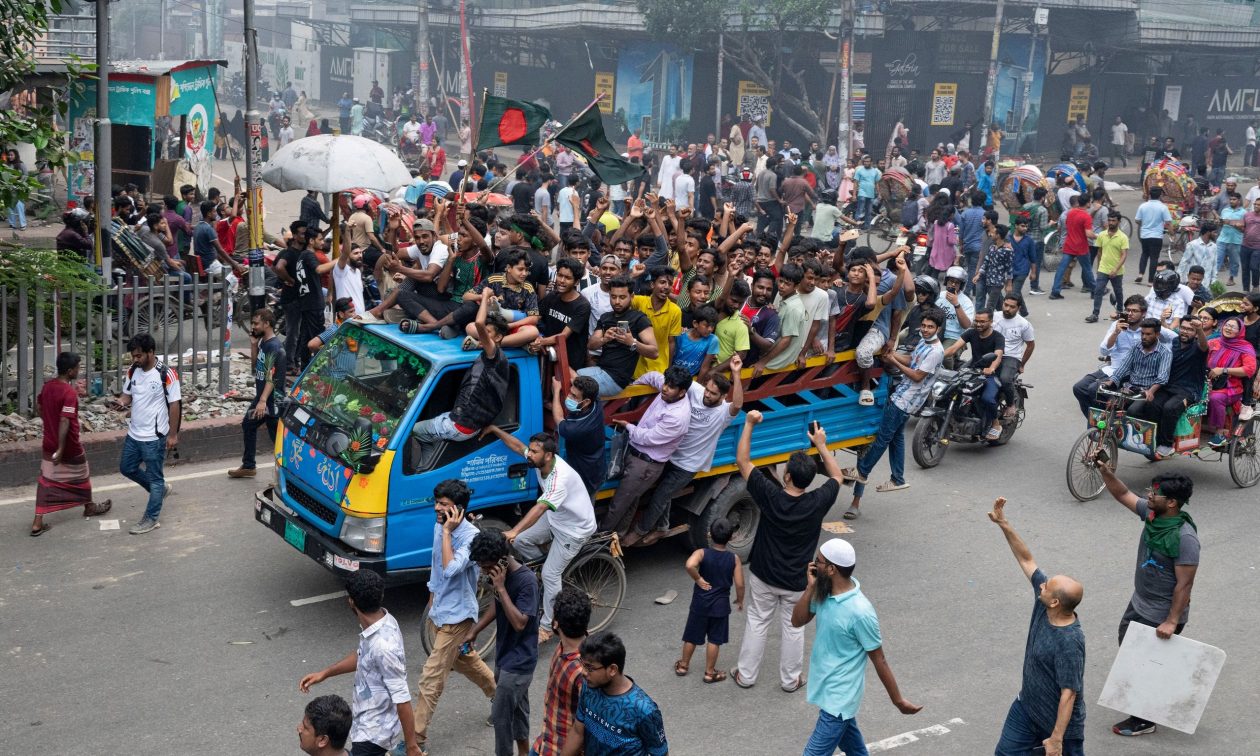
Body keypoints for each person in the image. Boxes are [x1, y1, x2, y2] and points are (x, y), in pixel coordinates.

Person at [731, 414, 844, 692]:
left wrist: (749, 424)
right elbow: (838, 476)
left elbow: (743, 462)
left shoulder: (771, 495)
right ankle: (790, 680)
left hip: (763, 574)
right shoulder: (818, 501)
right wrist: (820, 444)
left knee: (758, 621)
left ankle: (746, 675)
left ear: (787, 475)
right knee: (794, 628)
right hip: (797, 581)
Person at [790, 537, 921, 756]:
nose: (813, 566)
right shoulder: (823, 591)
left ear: (831, 569)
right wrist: (809, 588)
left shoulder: (860, 612)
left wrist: (898, 700)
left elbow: (879, 659)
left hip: (839, 698)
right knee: (854, 749)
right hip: (827, 687)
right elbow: (797, 621)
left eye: (818, 562)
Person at [1095, 466, 1200, 739]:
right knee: (1131, 655)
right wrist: (1104, 470)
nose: (1149, 496)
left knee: (1142, 665)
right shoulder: (1154, 515)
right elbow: (1121, 494)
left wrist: (1172, 621)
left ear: (1172, 502)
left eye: (1155, 493)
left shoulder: (1185, 538)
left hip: (1159, 614)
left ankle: (1143, 719)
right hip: (1139, 603)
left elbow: (1185, 584)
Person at [987, 497, 1087, 756]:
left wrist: (1056, 739)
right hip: (1027, 707)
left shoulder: (1069, 641)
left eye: (1046, 586)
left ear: (1055, 601)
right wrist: (1003, 524)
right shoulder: (1046, 603)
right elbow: (1027, 559)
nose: (1041, 584)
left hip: (1058, 725)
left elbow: (1069, 693)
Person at [484, 428, 596, 641]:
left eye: (535, 452)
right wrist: (494, 430)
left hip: (574, 529)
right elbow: (517, 446)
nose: (530, 454)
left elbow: (540, 508)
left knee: (550, 574)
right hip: (557, 517)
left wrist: (514, 529)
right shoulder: (539, 460)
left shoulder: (559, 479)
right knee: (522, 541)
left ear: (548, 455)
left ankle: (546, 627)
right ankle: (543, 573)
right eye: (531, 450)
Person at [298, 570, 424, 756]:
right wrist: (325, 673)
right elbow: (364, 655)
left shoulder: (383, 646)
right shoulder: (382, 622)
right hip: (366, 721)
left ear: (351, 602)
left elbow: (402, 700)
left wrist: (411, 746)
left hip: (375, 733)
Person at [412, 480, 497, 751]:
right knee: (465, 661)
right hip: (440, 612)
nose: (437, 508)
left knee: (431, 679)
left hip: (458, 618)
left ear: (458, 510)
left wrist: (448, 532)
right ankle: (502, 698)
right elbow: (437, 569)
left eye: (444, 505)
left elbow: (450, 568)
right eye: (437, 502)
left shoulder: (469, 537)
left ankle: (416, 742)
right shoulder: (440, 526)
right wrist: (431, 603)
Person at [624, 359, 744, 549]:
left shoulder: (723, 413)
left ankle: (640, 531)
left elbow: (737, 404)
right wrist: (634, 386)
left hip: (689, 465)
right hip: (670, 454)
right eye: (707, 390)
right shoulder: (694, 390)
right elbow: (666, 381)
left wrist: (736, 374)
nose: (707, 395)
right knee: (659, 492)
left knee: (661, 495)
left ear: (722, 397)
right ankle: (662, 526)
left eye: (713, 394)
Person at [841, 309, 945, 509]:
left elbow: (916, 375)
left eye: (930, 327)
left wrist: (894, 360)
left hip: (905, 400)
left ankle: (861, 471)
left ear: (938, 329)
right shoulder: (924, 342)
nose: (925, 329)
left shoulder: (936, 351)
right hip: (902, 395)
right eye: (923, 325)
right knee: (896, 437)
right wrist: (893, 354)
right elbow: (912, 360)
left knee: (882, 438)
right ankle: (897, 478)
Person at [467, 530, 539, 756]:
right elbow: (498, 605)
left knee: (500, 717)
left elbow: (520, 623)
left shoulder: (526, 581)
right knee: (518, 712)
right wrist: (475, 630)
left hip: (519, 662)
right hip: (505, 655)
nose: (484, 572)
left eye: (487, 567)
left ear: (502, 560)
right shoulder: (501, 576)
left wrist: (500, 587)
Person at [599, 366, 693, 537]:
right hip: (636, 455)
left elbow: (647, 438)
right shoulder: (667, 390)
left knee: (619, 503)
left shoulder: (678, 417)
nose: (665, 388)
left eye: (671, 387)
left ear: (682, 392)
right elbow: (652, 376)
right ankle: (618, 536)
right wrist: (632, 389)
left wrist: (628, 426)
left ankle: (599, 538)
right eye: (666, 383)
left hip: (646, 465)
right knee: (630, 500)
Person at [30, 352, 113, 536]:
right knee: (82, 474)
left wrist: (48, 424)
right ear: (69, 371)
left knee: (46, 481)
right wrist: (61, 448)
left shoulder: (47, 387)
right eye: (77, 368)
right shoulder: (68, 392)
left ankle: (38, 522)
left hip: (48, 443)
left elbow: (40, 407)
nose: (79, 371)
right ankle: (89, 506)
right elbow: (65, 420)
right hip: (68, 445)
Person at [412, 293, 510, 443]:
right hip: (468, 420)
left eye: (487, 332)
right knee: (427, 438)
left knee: (414, 430)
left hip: (461, 424)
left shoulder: (494, 354)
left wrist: (484, 296)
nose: (482, 334)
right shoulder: (495, 356)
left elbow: (478, 323)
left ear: (498, 338)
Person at [112, 333, 181, 536]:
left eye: (139, 355)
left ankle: (151, 518)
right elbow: (128, 395)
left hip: (154, 437)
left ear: (151, 352)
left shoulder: (166, 374)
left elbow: (174, 404)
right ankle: (159, 492)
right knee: (127, 468)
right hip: (134, 434)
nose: (136, 359)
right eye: (133, 355)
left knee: (155, 477)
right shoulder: (133, 371)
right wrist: (121, 402)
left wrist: (173, 435)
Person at [560, 631, 668, 756]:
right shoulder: (589, 687)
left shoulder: (645, 710)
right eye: (582, 664)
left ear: (612, 669)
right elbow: (577, 732)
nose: (583, 672)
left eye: (589, 667)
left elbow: (660, 753)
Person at [672, 516, 745, 684]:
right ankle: (709, 672)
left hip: (700, 603)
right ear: (731, 537)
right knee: (714, 639)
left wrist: (698, 579)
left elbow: (689, 565)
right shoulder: (733, 559)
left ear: (709, 535)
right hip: (720, 606)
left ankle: (683, 665)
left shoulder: (701, 553)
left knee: (691, 635)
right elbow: (740, 584)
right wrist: (739, 599)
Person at [532, 586, 591, 756]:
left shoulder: (583, 671)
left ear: (556, 623)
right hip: (544, 742)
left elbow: (585, 726)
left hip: (563, 749)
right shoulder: (562, 646)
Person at [228, 309, 287, 479]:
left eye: (256, 323)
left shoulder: (275, 347)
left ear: (267, 324)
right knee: (248, 424)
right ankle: (248, 466)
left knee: (278, 442)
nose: (252, 326)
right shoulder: (264, 344)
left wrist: (262, 401)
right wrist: (254, 345)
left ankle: (283, 478)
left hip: (272, 402)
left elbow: (271, 377)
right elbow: (256, 367)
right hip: (263, 398)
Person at [579, 276, 659, 397]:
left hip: (616, 379)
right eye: (613, 297)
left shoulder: (639, 319)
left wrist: (632, 342)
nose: (617, 301)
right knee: (567, 376)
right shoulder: (605, 317)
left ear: (631, 297)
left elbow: (654, 352)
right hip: (600, 370)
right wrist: (604, 339)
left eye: (622, 297)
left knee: (575, 382)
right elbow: (591, 345)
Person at [1203, 316, 1257, 446]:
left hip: (1231, 387)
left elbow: (1249, 369)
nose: (1228, 328)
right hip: (1208, 382)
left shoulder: (1245, 347)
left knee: (1215, 398)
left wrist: (1224, 370)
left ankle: (1220, 434)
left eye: (1232, 327)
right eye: (1226, 325)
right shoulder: (1214, 342)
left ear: (1240, 331)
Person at [550, 376, 605, 498]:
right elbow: (576, 377)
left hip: (585, 479)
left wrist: (556, 391)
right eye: (570, 392)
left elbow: (558, 418)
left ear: (586, 402)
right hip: (596, 465)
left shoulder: (575, 429)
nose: (569, 397)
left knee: (582, 513)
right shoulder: (596, 403)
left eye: (574, 396)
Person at [1049, 196, 1096, 299]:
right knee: (1087, 269)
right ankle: (1094, 290)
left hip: (1069, 244)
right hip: (1081, 246)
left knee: (1061, 268)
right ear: (1088, 203)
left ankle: (1055, 291)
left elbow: (1064, 227)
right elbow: (1088, 234)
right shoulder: (1086, 216)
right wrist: (1098, 236)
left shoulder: (1070, 213)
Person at [1089, 211, 1129, 323]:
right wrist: (1098, 268)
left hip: (1117, 270)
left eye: (1113, 220)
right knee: (1098, 290)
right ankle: (1095, 314)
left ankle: (1120, 312)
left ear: (1119, 222)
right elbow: (1099, 252)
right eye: (1109, 220)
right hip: (1103, 269)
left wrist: (1116, 269)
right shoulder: (1102, 235)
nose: (1111, 223)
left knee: (1118, 292)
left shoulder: (1123, 237)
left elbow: (1124, 255)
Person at [1134, 187, 1173, 285]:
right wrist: (1172, 234)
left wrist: (1145, 223)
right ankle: (1150, 280)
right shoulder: (1163, 207)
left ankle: (1140, 274)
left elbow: (1137, 220)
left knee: (1144, 254)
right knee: (1154, 258)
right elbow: (1168, 222)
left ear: (1150, 194)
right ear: (1160, 195)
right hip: (1156, 236)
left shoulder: (1143, 206)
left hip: (1144, 235)